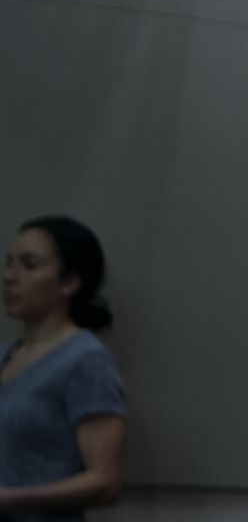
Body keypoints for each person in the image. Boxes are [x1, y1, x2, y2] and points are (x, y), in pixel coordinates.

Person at [0, 217, 126, 521]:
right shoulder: (6, 354)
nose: (9, 277)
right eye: (9, 263)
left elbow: (105, 482)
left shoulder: (85, 362)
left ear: (69, 282)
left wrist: (11, 498)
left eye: (29, 265)